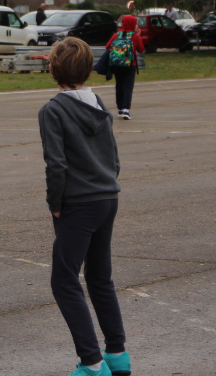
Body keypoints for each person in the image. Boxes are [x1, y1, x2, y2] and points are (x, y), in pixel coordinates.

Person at [39, 37, 130, 376]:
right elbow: (114, 157)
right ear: (90, 70)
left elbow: (56, 165)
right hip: (108, 197)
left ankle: (92, 363)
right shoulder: (99, 104)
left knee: (64, 280)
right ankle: (117, 354)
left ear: (52, 69)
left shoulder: (53, 110)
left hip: (78, 203)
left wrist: (56, 204)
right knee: (99, 277)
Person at [105, 15, 145, 120]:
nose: (137, 25)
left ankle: (120, 109)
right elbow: (141, 50)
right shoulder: (135, 36)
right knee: (128, 87)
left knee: (119, 86)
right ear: (132, 24)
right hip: (130, 65)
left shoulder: (116, 35)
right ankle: (126, 109)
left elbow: (107, 46)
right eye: (136, 23)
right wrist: (138, 36)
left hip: (117, 65)